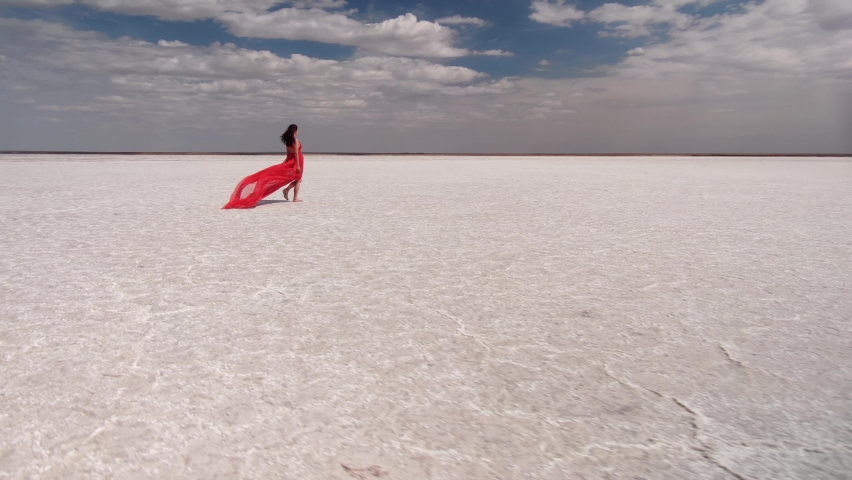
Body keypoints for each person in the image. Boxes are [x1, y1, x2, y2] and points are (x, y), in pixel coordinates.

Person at [222, 125, 304, 209]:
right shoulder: (295, 141)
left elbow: (288, 154)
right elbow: (296, 153)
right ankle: (294, 197)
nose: (298, 132)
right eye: (297, 130)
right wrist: (297, 165)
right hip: (296, 161)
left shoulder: (288, 142)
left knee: (298, 179)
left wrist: (284, 163)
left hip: (290, 161)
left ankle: (287, 190)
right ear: (295, 131)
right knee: (298, 179)